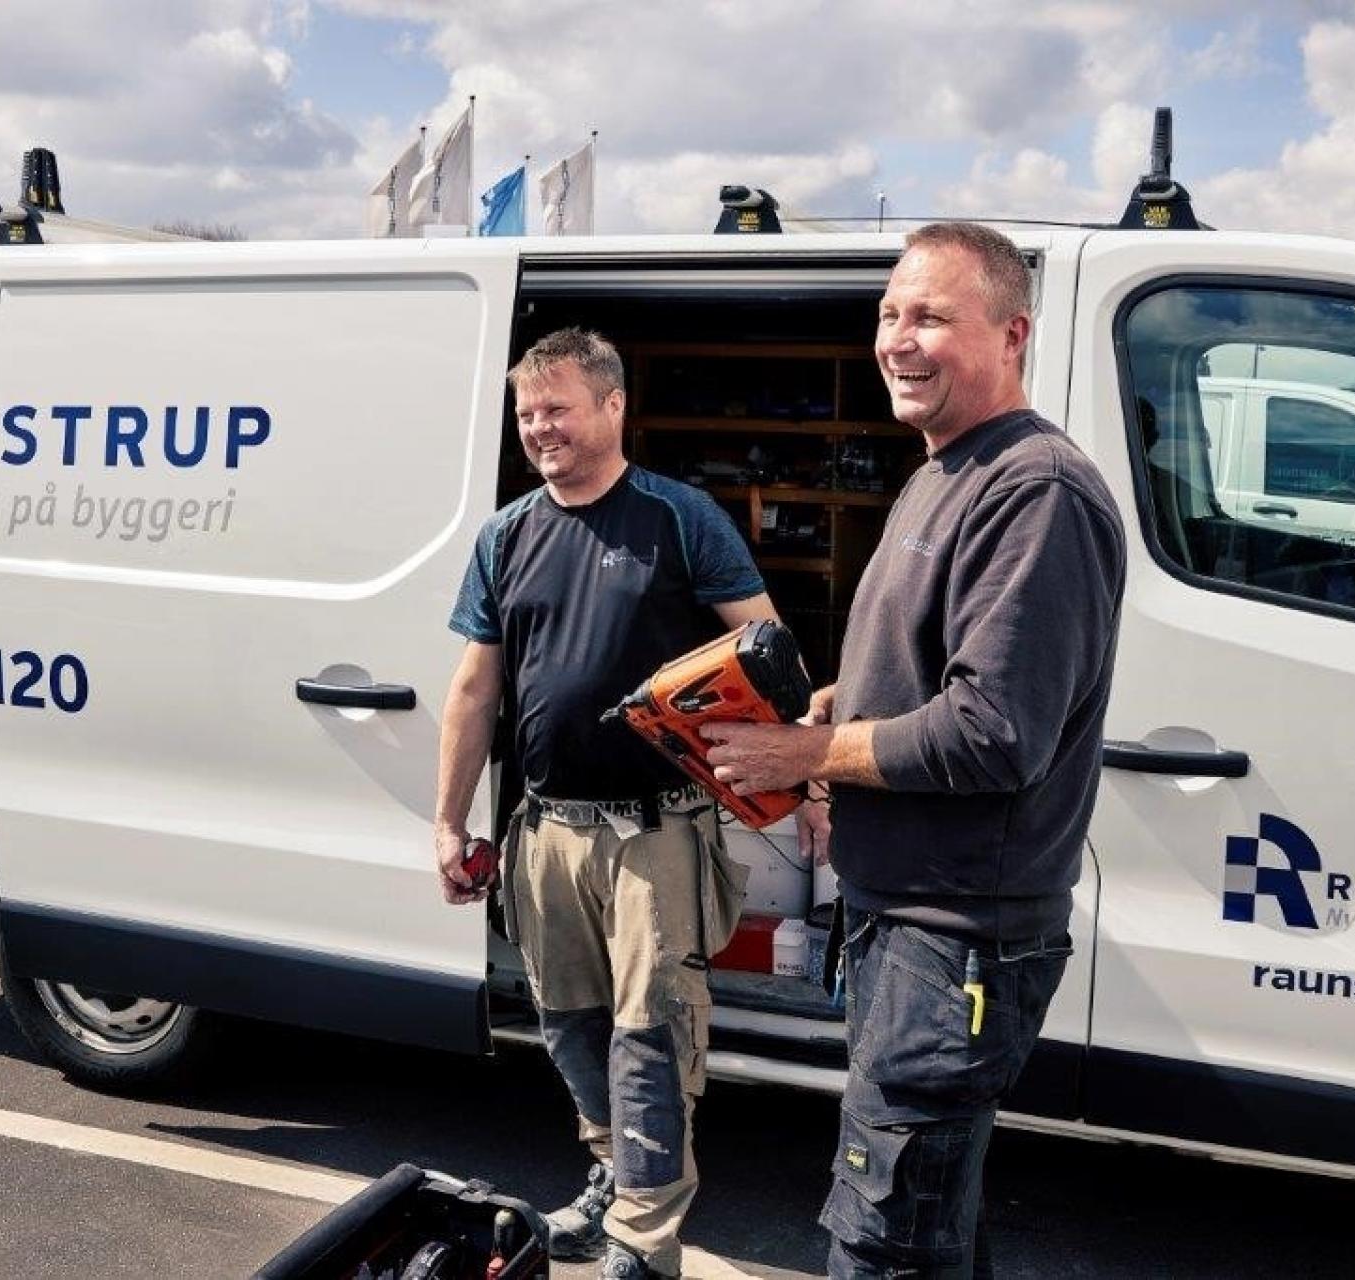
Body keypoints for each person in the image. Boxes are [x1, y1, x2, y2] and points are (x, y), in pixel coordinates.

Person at [702, 222, 1127, 1277]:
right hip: (908, 925)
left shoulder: (1036, 493)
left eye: (932, 315)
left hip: (956, 941)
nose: (898, 337)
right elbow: (940, 671)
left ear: (1013, 332)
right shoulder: (944, 467)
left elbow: (995, 730)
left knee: (881, 1239)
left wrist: (809, 750)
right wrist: (842, 699)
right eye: (891, 312)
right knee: (928, 1228)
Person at [433, 328, 776, 1280]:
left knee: (650, 1035)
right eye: (527, 412)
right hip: (547, 830)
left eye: (559, 408)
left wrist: (795, 780)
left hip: (655, 835)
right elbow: (474, 689)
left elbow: (765, 651)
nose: (540, 428)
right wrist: (450, 820)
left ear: (613, 407)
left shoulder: (678, 519)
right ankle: (610, 1173)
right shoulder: (507, 535)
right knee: (571, 1025)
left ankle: (643, 1237)